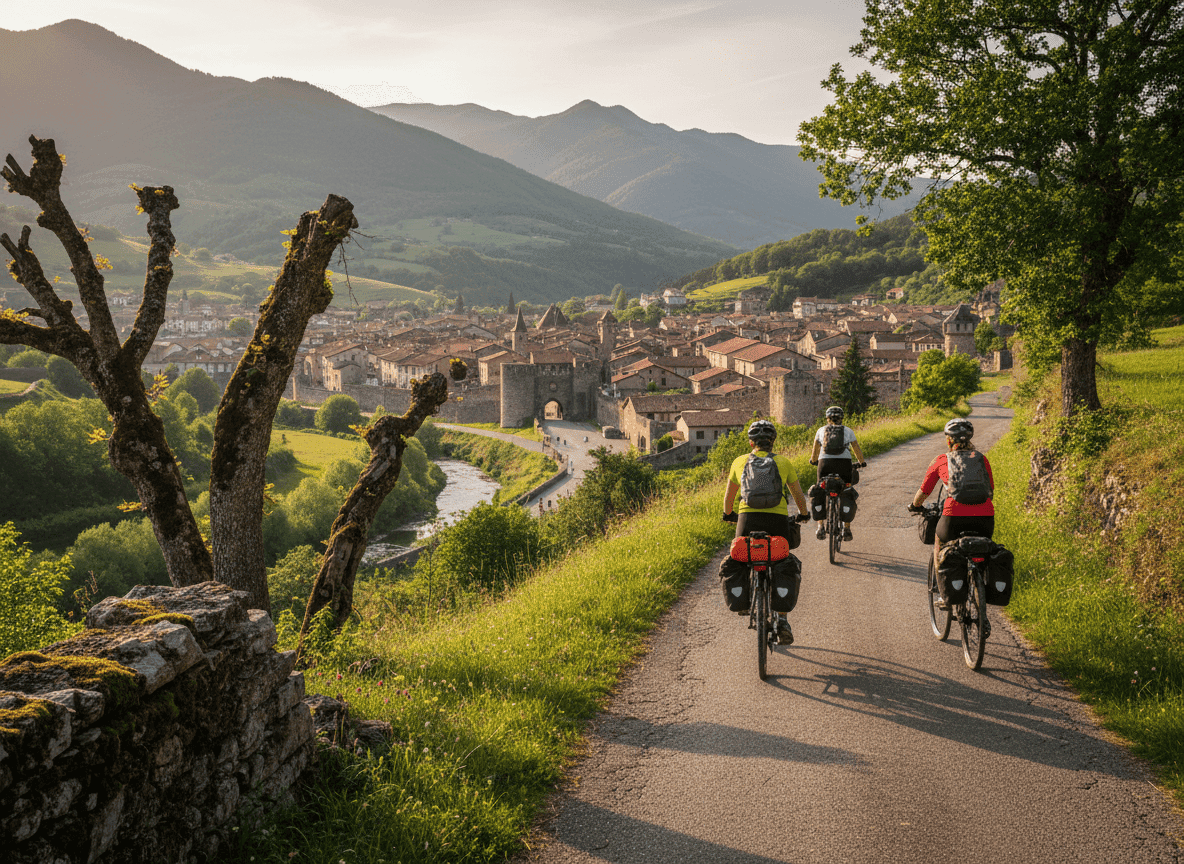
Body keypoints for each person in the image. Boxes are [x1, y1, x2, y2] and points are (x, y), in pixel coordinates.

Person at [723, 419, 810, 645]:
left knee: (741, 556)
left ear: (751, 442)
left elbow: (729, 497)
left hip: (746, 519)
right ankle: (781, 619)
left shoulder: (739, 462)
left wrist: (728, 514)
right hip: (777, 521)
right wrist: (804, 514)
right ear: (773, 442)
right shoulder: (783, 462)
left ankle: (744, 599)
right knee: (782, 561)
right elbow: (798, 495)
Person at [909, 418, 995, 605]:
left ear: (949, 441)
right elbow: (991, 491)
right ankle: (980, 586)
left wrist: (915, 505)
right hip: (985, 517)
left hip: (953, 515)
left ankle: (944, 594)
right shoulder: (982, 458)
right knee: (983, 549)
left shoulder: (941, 460)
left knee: (940, 544)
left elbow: (925, 490)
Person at [809, 406, 867, 541]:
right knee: (847, 490)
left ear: (827, 419)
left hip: (824, 465)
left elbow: (815, 450)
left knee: (821, 490)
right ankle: (846, 529)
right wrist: (861, 462)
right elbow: (856, 448)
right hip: (844, 465)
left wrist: (813, 461)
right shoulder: (848, 431)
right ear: (841, 418)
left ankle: (820, 527)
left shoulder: (820, 430)